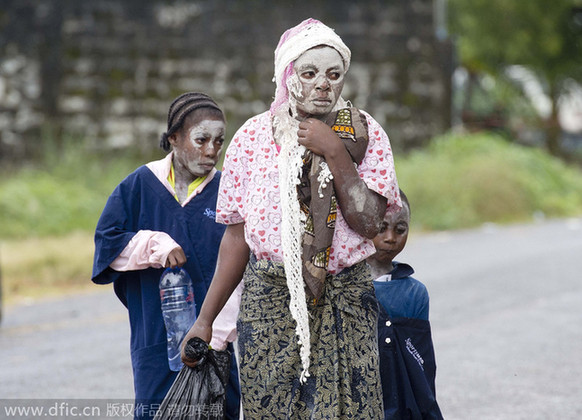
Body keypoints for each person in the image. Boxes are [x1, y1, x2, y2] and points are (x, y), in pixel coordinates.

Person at [182, 19, 401, 418]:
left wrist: (334, 150)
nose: (323, 83)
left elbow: (371, 223)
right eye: (310, 72)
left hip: (346, 301)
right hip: (269, 305)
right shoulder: (252, 139)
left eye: (334, 74)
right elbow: (236, 239)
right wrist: (205, 320)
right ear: (288, 76)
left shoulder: (364, 134)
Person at [91, 92, 240, 420]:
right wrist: (153, 244)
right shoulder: (140, 186)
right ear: (174, 138)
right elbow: (107, 245)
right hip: (157, 342)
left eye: (219, 141)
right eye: (201, 139)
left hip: (215, 344)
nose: (212, 150)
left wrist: (219, 335)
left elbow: (243, 265)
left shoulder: (229, 191)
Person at [367, 189, 444, 419]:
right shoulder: (346, 284)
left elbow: (421, 365)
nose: (391, 237)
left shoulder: (414, 293)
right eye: (381, 228)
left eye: (400, 230)